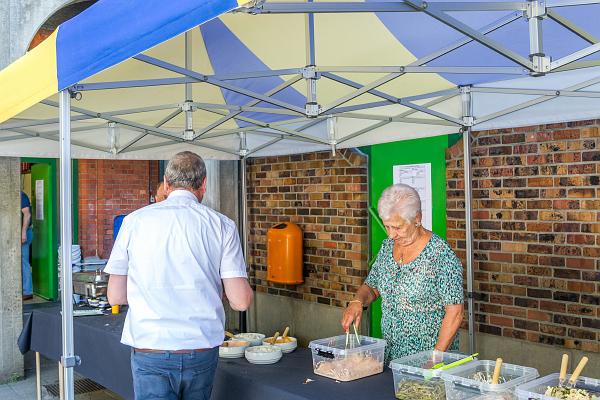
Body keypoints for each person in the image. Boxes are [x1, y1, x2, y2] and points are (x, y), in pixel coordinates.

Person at [105, 151, 253, 400]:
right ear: (203, 184)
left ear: (166, 182)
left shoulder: (134, 222)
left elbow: (115, 296)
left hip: (150, 346)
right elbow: (241, 301)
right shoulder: (222, 225)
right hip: (200, 347)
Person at [341, 183, 464, 363]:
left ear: (417, 218)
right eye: (387, 227)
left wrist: (436, 357)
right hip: (392, 356)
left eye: (397, 227)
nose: (391, 235)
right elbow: (373, 287)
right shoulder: (387, 247)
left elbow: (455, 312)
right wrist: (357, 301)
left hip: (428, 360)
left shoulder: (440, 255)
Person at [21, 191, 33, 301]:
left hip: (24, 233)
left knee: (23, 261)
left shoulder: (21, 195)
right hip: (16, 233)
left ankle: (27, 291)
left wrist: (23, 232)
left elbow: (27, 214)